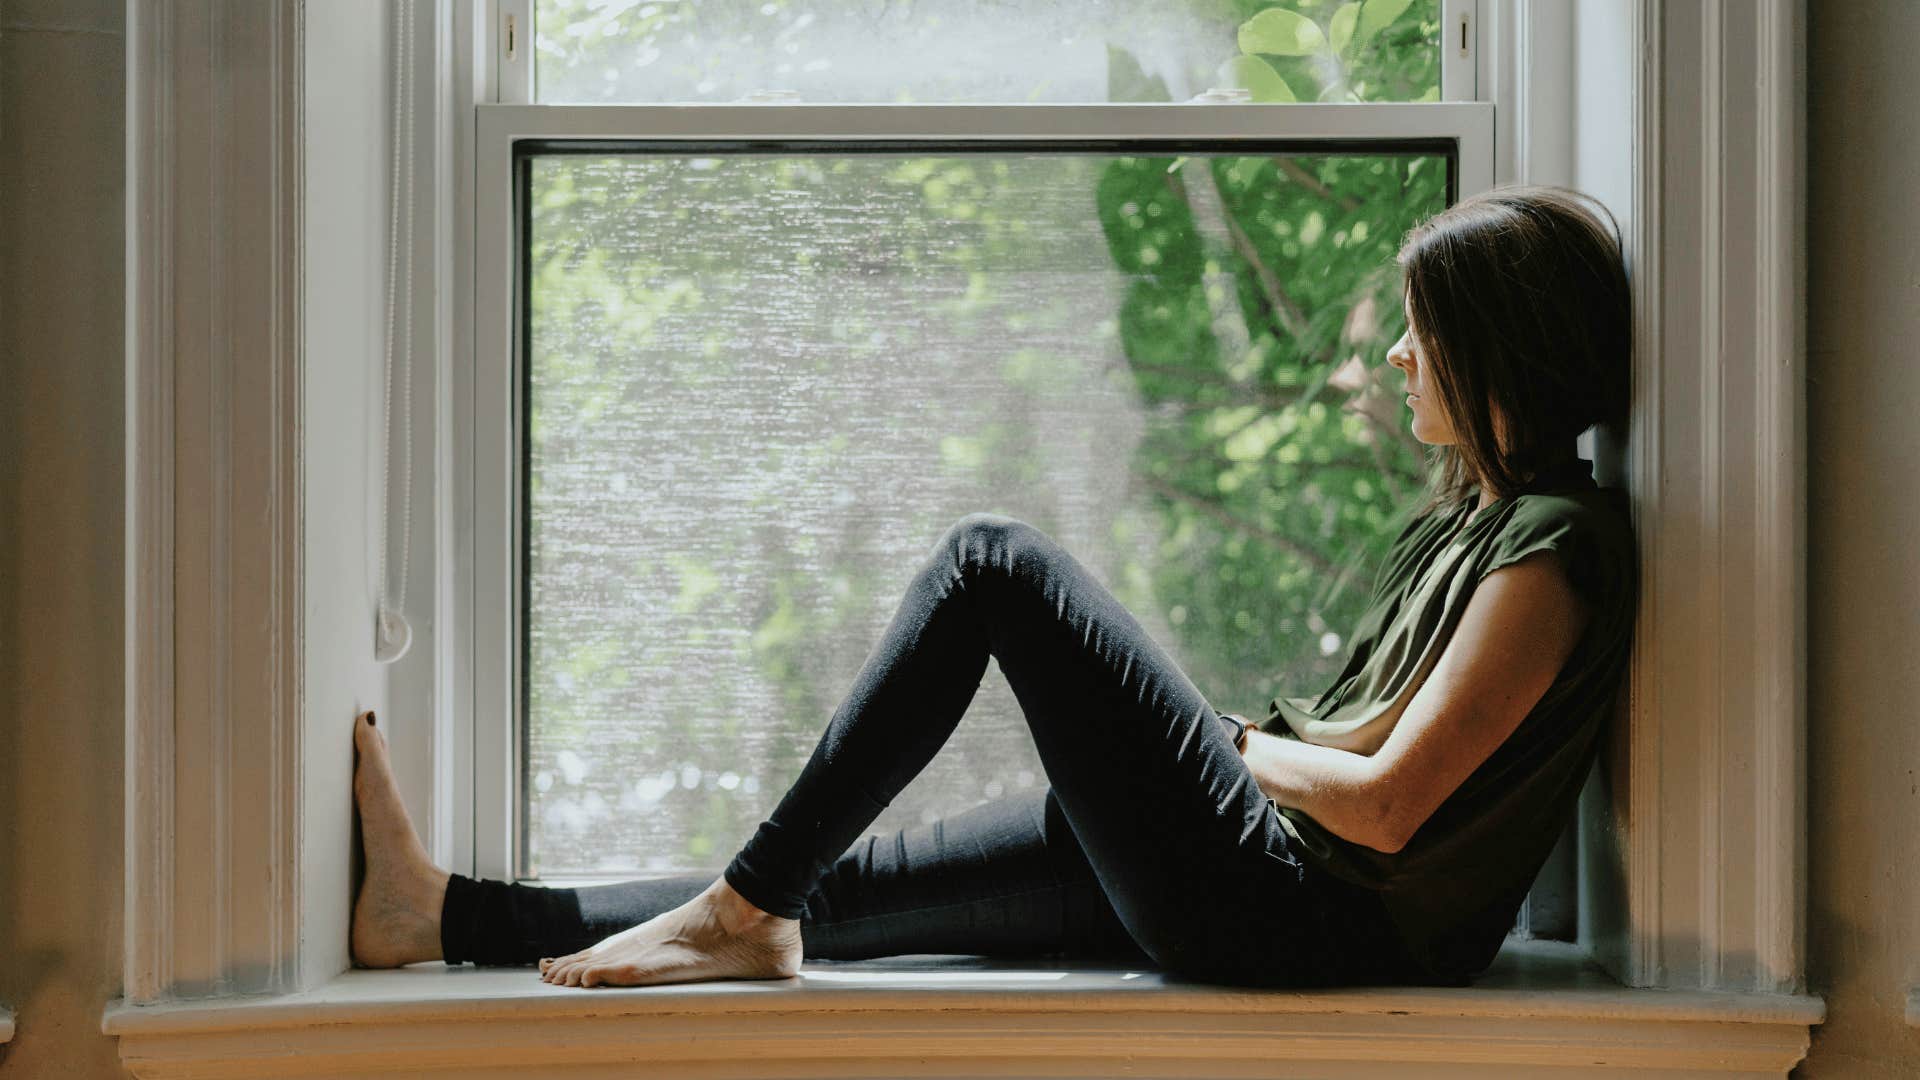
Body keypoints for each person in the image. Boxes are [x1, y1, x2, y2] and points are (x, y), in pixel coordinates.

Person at [349, 182, 1638, 990]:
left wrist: (1221, 741)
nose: (1403, 354)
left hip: (1298, 915)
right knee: (822, 890)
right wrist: (1198, 744)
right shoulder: (1483, 522)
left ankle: (736, 911)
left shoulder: (1551, 554)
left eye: (1428, 329)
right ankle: (444, 916)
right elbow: (1373, 739)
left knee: (994, 563)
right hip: (1270, 888)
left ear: (1496, 347)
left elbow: (1392, 806)